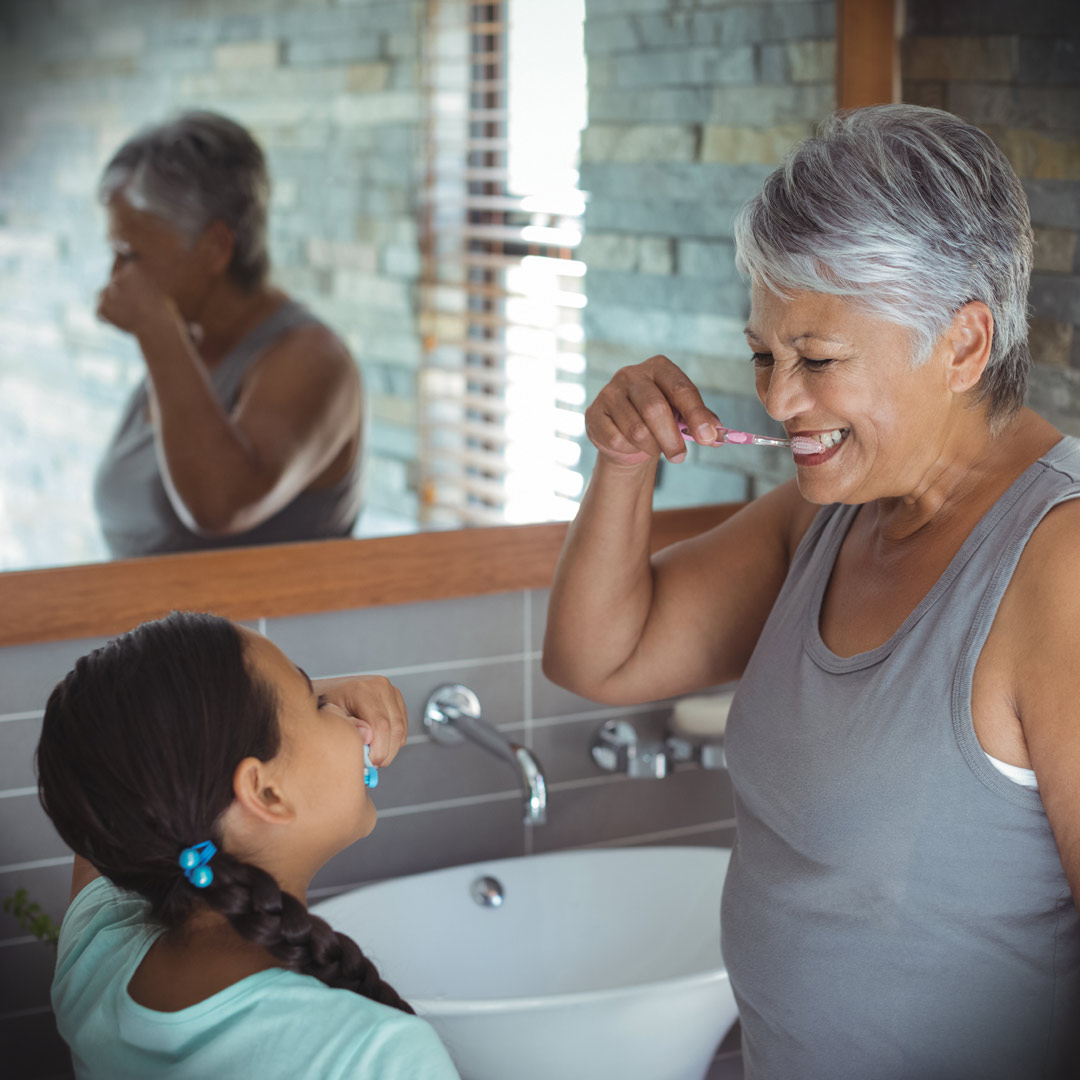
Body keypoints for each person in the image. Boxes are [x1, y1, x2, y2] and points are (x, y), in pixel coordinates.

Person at [543, 105, 1080, 1079]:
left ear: (963, 345)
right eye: (764, 355)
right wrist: (623, 464)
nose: (779, 399)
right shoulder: (827, 515)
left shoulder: (1062, 564)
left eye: (819, 360)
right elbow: (599, 657)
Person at [36, 611, 460, 1079]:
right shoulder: (373, 1055)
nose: (348, 718)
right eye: (317, 703)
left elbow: (115, 772)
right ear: (265, 792)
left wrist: (275, 711)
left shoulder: (97, 955)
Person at [92, 111, 364, 558]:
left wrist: (157, 330)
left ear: (216, 247)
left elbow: (219, 506)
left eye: (130, 254)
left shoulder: (314, 359)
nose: (116, 275)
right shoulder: (189, 345)